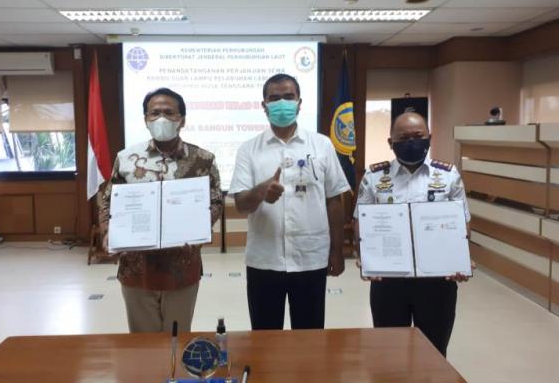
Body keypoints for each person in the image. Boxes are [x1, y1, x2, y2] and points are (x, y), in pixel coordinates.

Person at [229, 73, 350, 330]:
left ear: (299, 103)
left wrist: (337, 251)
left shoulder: (322, 145)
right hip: (264, 260)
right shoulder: (249, 149)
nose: (281, 103)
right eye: (274, 98)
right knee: (265, 337)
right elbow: (241, 204)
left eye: (288, 97)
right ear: (264, 105)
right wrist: (261, 191)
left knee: (309, 336)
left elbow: (334, 199)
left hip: (311, 258)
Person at [99, 87, 223, 333]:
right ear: (146, 119)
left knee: (177, 337)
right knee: (143, 342)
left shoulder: (202, 159)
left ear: (182, 120)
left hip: (181, 267)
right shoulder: (126, 159)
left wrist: (197, 230)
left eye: (169, 112)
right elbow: (108, 201)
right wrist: (108, 234)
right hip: (137, 267)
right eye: (155, 113)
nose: (161, 118)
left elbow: (215, 201)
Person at [354, 111, 471, 357]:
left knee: (434, 352)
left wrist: (459, 260)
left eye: (418, 136)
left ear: (430, 137)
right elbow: (361, 221)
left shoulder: (448, 175)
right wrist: (367, 259)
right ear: (391, 142)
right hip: (388, 280)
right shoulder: (374, 177)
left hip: (437, 281)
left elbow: (462, 223)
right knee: (389, 352)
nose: (411, 142)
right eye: (404, 138)